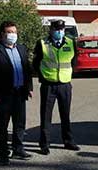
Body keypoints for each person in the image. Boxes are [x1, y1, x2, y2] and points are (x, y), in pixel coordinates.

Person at [0, 21, 34, 165]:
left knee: (19, 123)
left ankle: (18, 148)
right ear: (2, 34)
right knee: (3, 125)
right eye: (9, 32)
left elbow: (27, 69)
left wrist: (29, 87)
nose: (12, 35)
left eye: (14, 32)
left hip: (20, 92)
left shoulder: (21, 48)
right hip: (3, 94)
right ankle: (3, 153)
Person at [33, 19, 80, 155]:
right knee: (46, 116)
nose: (59, 32)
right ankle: (44, 144)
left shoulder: (71, 42)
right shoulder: (42, 43)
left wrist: (69, 75)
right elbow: (36, 63)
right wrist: (42, 77)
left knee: (65, 115)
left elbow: (74, 61)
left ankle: (68, 141)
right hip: (48, 84)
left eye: (61, 29)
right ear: (51, 30)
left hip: (65, 84)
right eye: (56, 29)